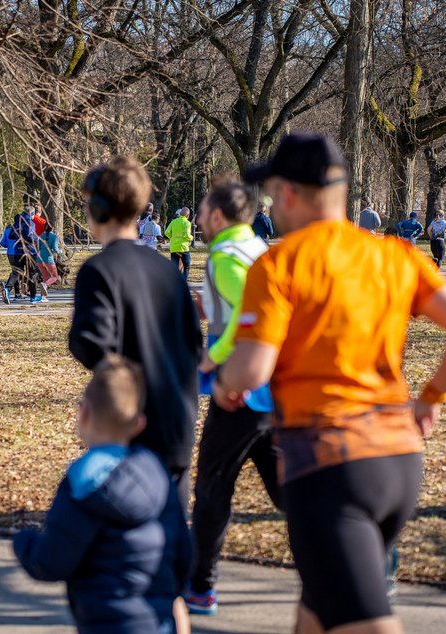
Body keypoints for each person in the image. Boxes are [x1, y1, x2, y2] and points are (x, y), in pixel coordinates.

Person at [215, 131, 446, 634]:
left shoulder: (279, 264)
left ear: (291, 194)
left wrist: (224, 381)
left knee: (368, 625)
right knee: (318, 612)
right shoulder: (396, 256)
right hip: (398, 465)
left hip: (329, 469)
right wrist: (430, 398)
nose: (270, 204)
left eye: (273, 192)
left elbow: (253, 369)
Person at [13, 354, 192, 634]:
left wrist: (24, 542)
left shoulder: (84, 481)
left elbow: (52, 562)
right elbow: (184, 552)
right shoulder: (157, 473)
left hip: (104, 622)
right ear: (139, 424)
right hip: (158, 621)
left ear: (83, 414)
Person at [70, 156, 201, 495]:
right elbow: (194, 346)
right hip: (179, 422)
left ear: (99, 209)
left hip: (133, 426)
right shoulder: (169, 272)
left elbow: (89, 343)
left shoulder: (99, 271)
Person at [184, 176, 282, 616]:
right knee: (287, 490)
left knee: (212, 487)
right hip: (270, 388)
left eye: (202, 211)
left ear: (218, 217)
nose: (197, 218)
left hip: (238, 387)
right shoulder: (259, 248)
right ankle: (354, 554)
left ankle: (200, 586)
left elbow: (252, 319)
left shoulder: (224, 255)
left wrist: (211, 358)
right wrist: (211, 308)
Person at [14, 206, 41, 303]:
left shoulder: (17, 222)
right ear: (32, 214)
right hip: (29, 251)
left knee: (17, 272)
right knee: (32, 274)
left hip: (17, 251)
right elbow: (29, 236)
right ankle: (33, 296)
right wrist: (35, 238)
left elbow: (11, 235)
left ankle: (9, 290)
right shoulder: (30, 222)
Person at [0, 216, 23, 304]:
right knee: (17, 273)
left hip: (10, 253)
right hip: (19, 253)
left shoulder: (8, 230)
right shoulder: (23, 230)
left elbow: (2, 243)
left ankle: (17, 294)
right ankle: (7, 287)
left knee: (15, 272)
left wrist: (9, 245)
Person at [165, 207, 193, 280]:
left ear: (180, 214)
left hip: (174, 248)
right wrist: (191, 238)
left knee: (174, 267)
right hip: (183, 248)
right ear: (188, 215)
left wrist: (172, 237)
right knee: (186, 266)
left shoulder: (173, 221)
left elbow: (166, 232)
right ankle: (183, 283)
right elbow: (187, 235)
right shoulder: (187, 223)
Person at [35, 221, 61, 301]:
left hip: (39, 259)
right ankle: (45, 285)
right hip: (48, 259)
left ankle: (43, 297)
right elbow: (55, 249)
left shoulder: (41, 236)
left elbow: (38, 247)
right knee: (55, 277)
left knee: (45, 277)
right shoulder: (54, 237)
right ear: (52, 228)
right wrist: (60, 252)